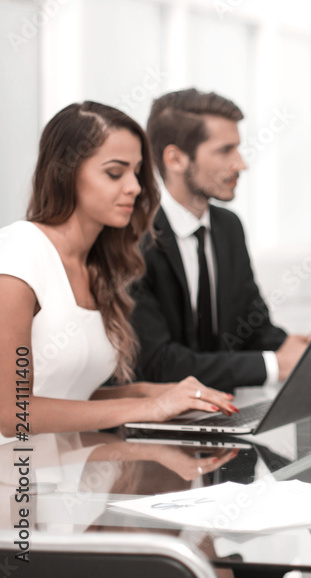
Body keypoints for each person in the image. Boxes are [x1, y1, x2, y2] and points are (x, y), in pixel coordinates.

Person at [0, 101, 237, 441]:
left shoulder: (98, 266)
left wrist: (152, 394)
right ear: (65, 172)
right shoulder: (18, 253)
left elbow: (71, 398)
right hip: (14, 480)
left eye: (137, 172)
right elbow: (13, 413)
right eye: (115, 172)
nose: (135, 187)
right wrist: (146, 408)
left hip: (64, 476)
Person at [131, 89, 309, 393]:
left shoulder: (228, 227)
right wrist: (275, 365)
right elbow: (157, 363)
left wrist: (299, 349)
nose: (241, 164)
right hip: (149, 425)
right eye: (225, 151)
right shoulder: (133, 238)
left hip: (220, 412)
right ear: (175, 159)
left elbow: (252, 328)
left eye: (237, 149)